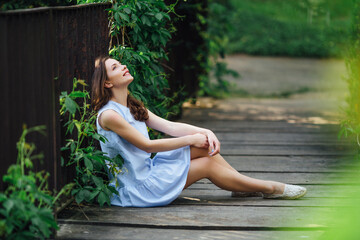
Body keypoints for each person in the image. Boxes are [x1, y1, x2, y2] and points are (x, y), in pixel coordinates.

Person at [91, 56, 307, 207]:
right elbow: (147, 145)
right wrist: (191, 138)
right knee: (206, 163)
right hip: (139, 189)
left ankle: (240, 185)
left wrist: (205, 131)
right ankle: (270, 188)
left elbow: (170, 126)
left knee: (202, 146)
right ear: (108, 82)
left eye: (120, 64)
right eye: (116, 67)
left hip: (150, 171)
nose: (124, 66)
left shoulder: (130, 105)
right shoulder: (110, 115)